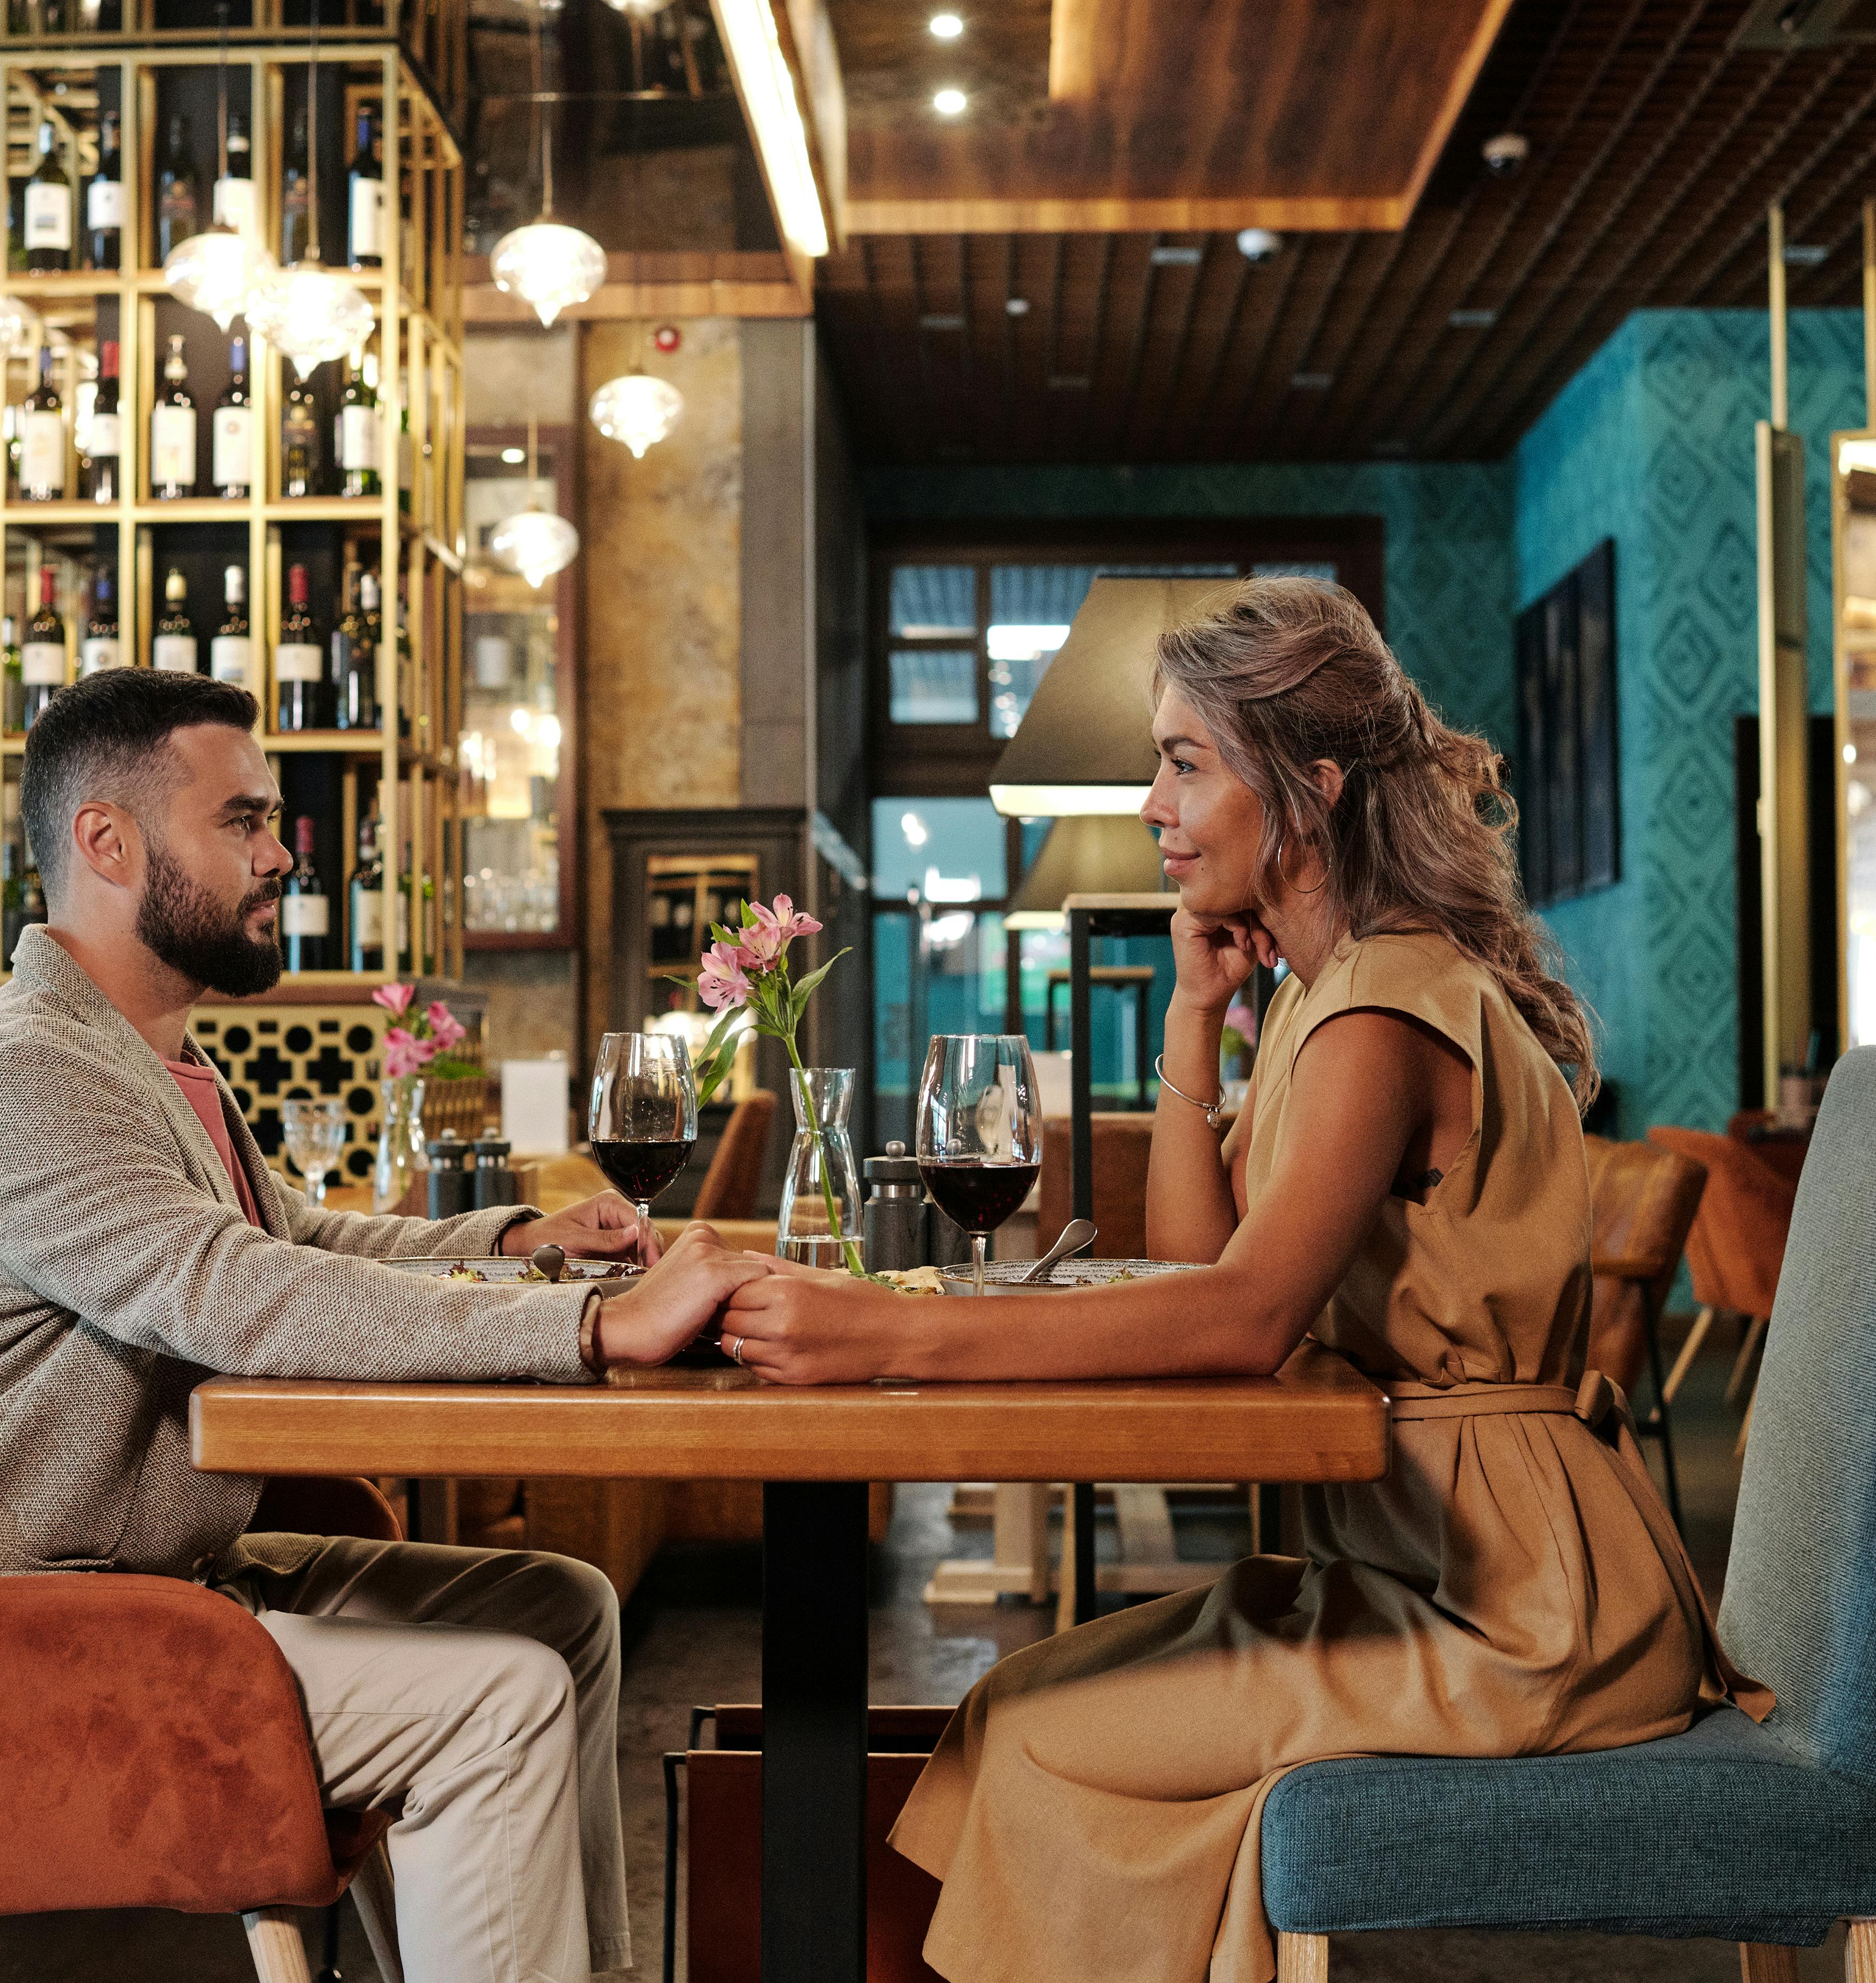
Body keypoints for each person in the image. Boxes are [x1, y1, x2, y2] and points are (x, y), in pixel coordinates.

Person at [715, 580, 1768, 1983]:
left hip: (1520, 1609)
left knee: (1037, 1740)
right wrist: (1198, 1019)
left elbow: (1239, 1318)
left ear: (1311, 789)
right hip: (1412, 1563)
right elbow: (1203, 1266)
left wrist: (882, 1329)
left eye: (1184, 762)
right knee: (1006, 1709)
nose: (1150, 800)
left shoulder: (1388, 1008)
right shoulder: (1330, 998)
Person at [0, 669, 772, 1983]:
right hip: (20, 1624)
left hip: (155, 1584)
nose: (282, 858)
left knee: (560, 1605)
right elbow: (235, 1292)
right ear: (108, 840)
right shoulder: (28, 1070)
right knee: (500, 1702)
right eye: (247, 821)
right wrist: (595, 1333)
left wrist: (515, 1246)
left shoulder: (155, 1058)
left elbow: (299, 1247)